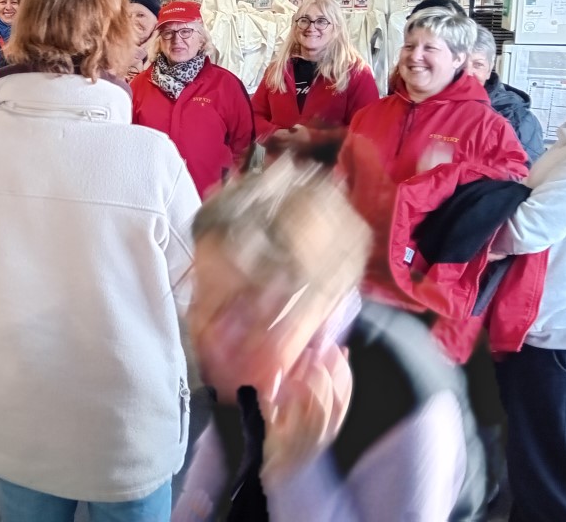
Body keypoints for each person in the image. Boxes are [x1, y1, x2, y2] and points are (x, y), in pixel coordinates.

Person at [0, 0, 201, 522]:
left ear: (25, 32)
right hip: (122, 419)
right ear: (115, 40)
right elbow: (195, 288)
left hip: (13, 403)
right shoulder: (150, 155)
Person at [175, 158, 486, 521]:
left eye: (246, 311)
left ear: (316, 303)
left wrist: (296, 470)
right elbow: (209, 478)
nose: (213, 336)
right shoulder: (257, 355)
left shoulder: (404, 401)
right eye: (202, 298)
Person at [336, 4, 528, 315]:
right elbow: (341, 180)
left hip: (426, 285)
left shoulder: (486, 125)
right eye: (409, 46)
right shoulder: (369, 115)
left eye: (430, 48)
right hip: (355, 272)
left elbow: (507, 194)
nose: (415, 56)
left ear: (457, 59)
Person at [487, 30, 566, 522]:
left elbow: (528, 226)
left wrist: (457, 227)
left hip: (563, 336)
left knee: (552, 487)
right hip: (551, 327)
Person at [131, 0, 255, 198]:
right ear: (159, 40)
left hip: (211, 207)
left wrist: (247, 193)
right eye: (168, 33)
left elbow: (250, 147)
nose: (177, 40)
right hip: (155, 201)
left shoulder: (226, 85)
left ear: (202, 39)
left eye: (186, 32)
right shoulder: (138, 86)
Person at [251, 0, 379, 161]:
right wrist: (273, 133)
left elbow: (367, 130)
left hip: (331, 177)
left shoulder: (357, 72)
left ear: (337, 27)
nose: (311, 27)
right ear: (295, 26)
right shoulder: (277, 69)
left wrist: (313, 138)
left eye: (321, 21)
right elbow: (253, 116)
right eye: (304, 20)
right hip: (278, 172)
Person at [468, 25, 544, 164]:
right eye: (460, 64)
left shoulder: (517, 118)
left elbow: (525, 178)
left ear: (490, 68)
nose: (467, 73)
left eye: (477, 65)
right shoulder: (432, 104)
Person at [125, 0, 161, 81]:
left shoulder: (168, 53)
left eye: (140, 15)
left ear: (156, 20)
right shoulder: (108, 52)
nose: (132, 21)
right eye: (127, 16)